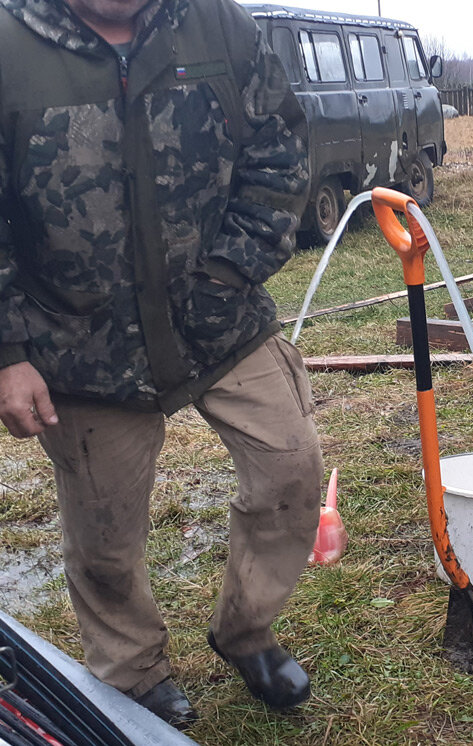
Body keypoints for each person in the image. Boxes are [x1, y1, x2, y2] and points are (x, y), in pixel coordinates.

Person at [0, 0, 322, 728]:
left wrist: (227, 273)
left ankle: (246, 631)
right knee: (105, 537)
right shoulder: (9, 45)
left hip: (220, 319)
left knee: (291, 470)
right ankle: (134, 673)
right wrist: (8, 353)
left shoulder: (221, 27)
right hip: (80, 340)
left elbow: (280, 156)